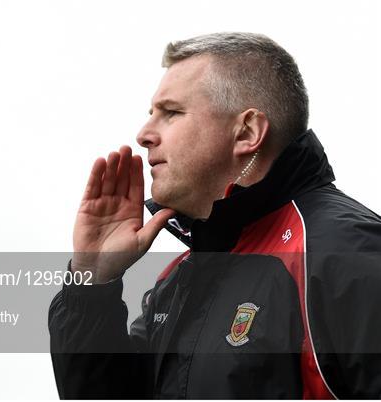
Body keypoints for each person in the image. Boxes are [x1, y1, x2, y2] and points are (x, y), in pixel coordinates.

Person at [48, 32, 381, 399]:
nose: (144, 135)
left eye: (171, 113)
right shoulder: (180, 277)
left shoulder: (347, 254)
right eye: (151, 115)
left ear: (247, 132)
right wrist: (93, 281)